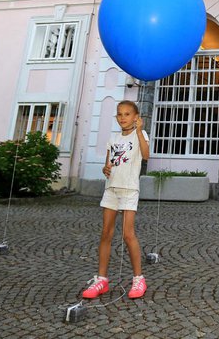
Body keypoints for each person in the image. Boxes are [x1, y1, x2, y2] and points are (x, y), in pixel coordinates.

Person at [82, 100, 150, 300]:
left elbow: (146, 156)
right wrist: (105, 169)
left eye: (127, 114)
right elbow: (108, 165)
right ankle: (101, 279)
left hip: (129, 190)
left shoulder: (141, 136)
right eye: (120, 114)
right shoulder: (112, 138)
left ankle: (139, 278)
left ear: (136, 117)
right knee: (106, 233)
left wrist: (139, 132)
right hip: (111, 189)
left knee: (128, 234)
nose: (123, 117)